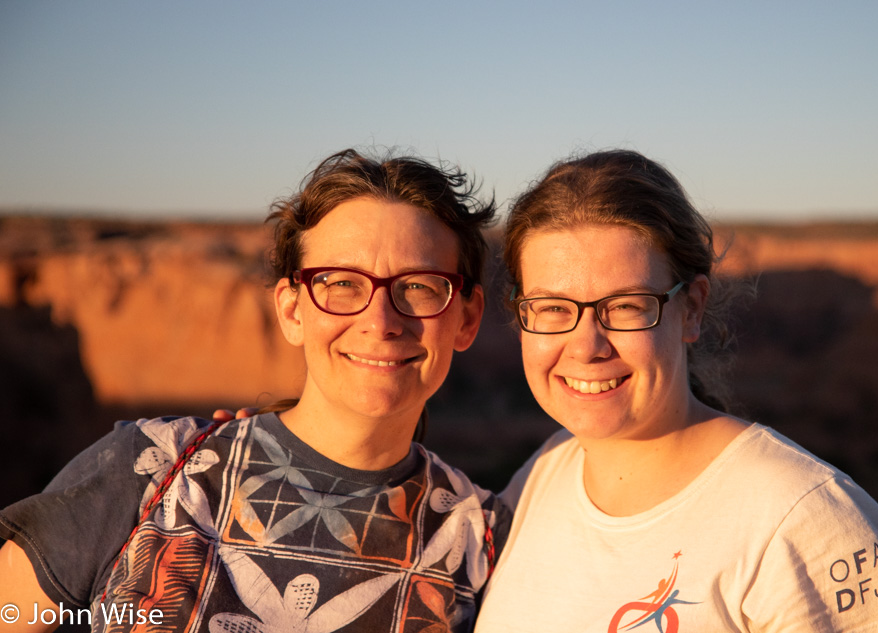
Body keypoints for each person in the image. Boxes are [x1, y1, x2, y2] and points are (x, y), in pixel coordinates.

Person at [0, 149, 509, 632]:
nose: (380, 321)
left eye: (419, 286)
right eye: (341, 283)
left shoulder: (484, 542)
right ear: (291, 309)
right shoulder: (148, 470)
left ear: (467, 318)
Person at [473, 150, 878, 632]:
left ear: (691, 308)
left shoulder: (801, 520)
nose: (587, 346)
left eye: (626, 306)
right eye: (553, 307)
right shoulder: (541, 477)